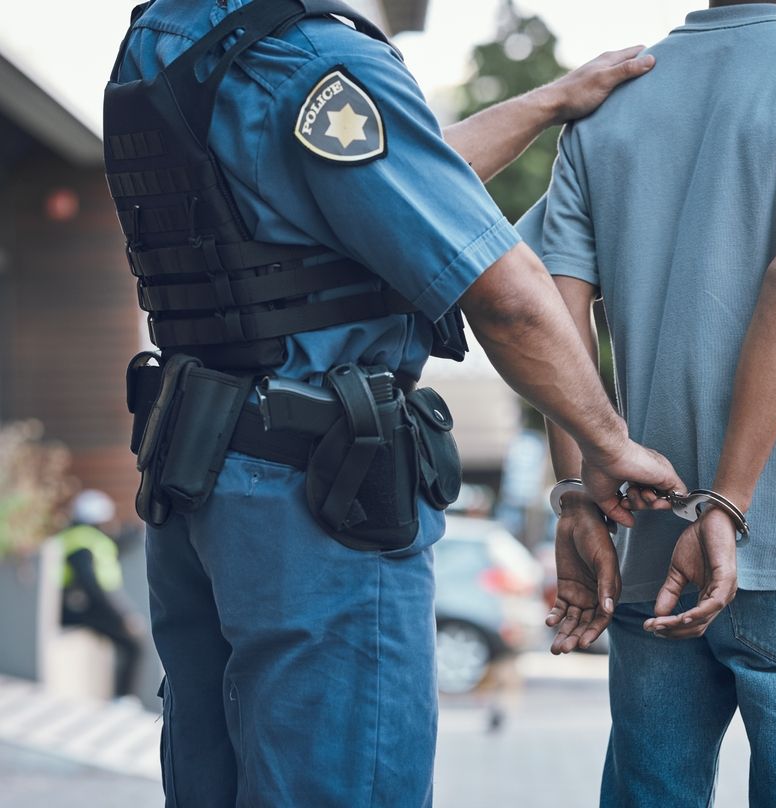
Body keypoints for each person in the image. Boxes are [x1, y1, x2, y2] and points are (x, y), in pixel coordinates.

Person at [104, 1, 684, 805]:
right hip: (320, 503)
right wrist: (608, 444)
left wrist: (549, 102)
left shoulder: (166, 40)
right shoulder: (311, 60)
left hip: (203, 481)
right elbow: (510, 301)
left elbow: (387, 186)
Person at [520, 1, 776, 805]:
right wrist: (727, 507)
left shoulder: (606, 107)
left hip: (647, 548)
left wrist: (578, 496)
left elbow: (554, 312)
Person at [59, 490, 145, 699]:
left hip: (81, 606)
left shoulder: (81, 537)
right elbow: (91, 586)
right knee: (134, 644)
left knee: (131, 643)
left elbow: (117, 543)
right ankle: (123, 699)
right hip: (81, 607)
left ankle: (122, 699)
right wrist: (121, 616)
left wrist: (137, 531)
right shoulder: (83, 542)